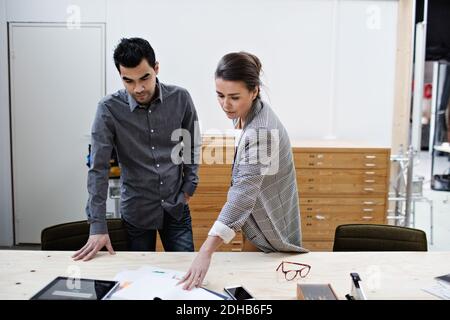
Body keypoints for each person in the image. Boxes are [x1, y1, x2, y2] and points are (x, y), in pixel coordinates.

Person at [179, 52, 308, 290]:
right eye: (220, 95)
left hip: (269, 224)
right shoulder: (248, 111)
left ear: (254, 91)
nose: (226, 105)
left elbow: (241, 196)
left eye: (234, 97)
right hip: (258, 215)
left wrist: (206, 251)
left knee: (258, 290)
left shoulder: (262, 133)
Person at [73, 38, 200, 261]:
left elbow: (191, 144)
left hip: (176, 207)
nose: (138, 88)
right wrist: (98, 226)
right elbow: (98, 169)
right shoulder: (108, 109)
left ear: (156, 68)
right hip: (136, 212)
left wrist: (189, 186)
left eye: (145, 78)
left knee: (185, 272)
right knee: (139, 278)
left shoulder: (181, 98)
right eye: (128, 81)